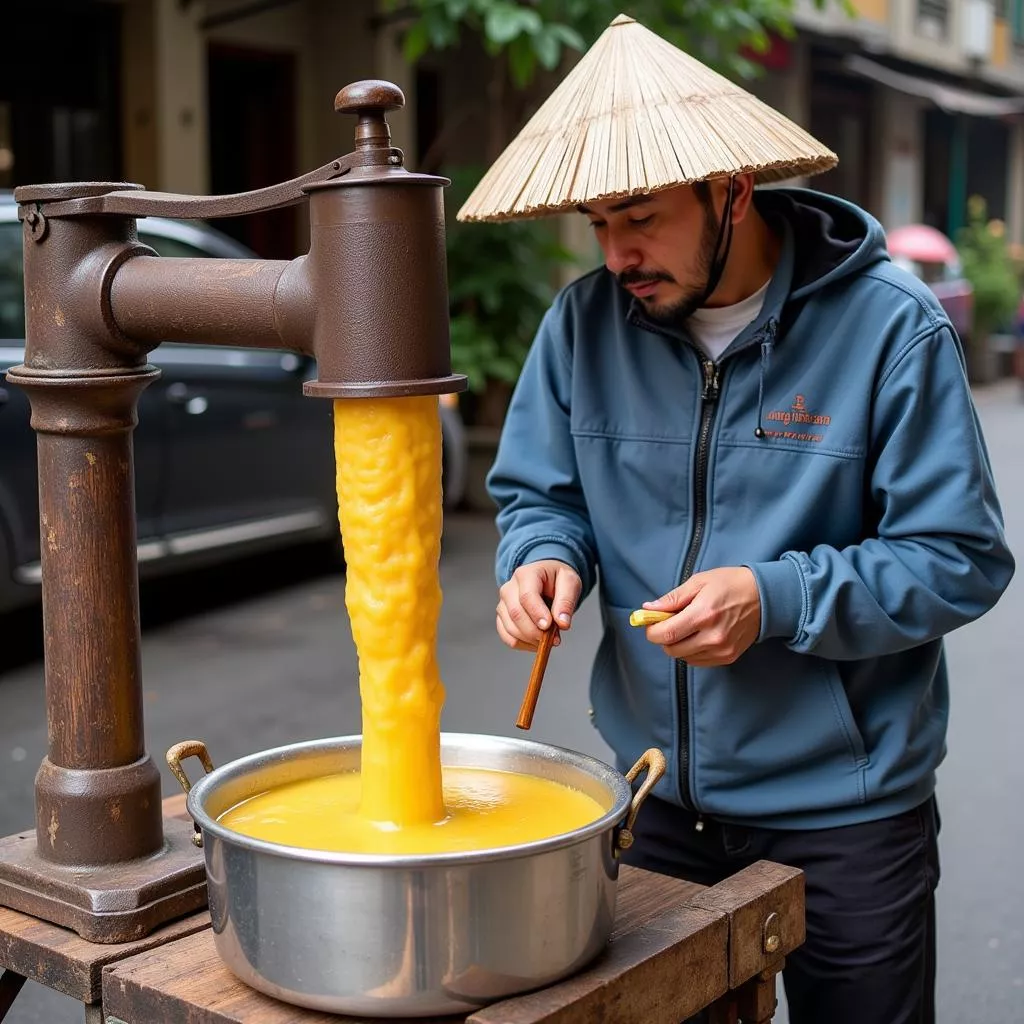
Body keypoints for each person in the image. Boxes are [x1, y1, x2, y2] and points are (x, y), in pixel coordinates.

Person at [460, 15, 1016, 1024]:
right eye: (596, 222)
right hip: (652, 797)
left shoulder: (890, 327)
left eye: (641, 216)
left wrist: (775, 597)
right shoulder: (582, 325)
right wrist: (545, 558)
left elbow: (959, 558)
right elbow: (544, 495)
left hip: (848, 810)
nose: (618, 252)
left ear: (730, 190)